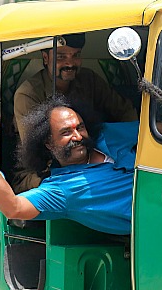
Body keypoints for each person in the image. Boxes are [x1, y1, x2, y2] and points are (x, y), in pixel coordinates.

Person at [0, 96, 137, 235]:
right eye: (66, 132)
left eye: (80, 128)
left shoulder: (104, 135)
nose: (77, 136)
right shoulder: (62, 188)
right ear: (49, 144)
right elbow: (13, 208)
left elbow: (156, 132)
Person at [12, 32, 138, 191]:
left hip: (88, 155)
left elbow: (124, 111)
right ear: (46, 58)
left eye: (75, 55)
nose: (70, 63)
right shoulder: (28, 94)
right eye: (61, 57)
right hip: (41, 171)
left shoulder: (89, 79)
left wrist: (133, 142)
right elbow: (38, 150)